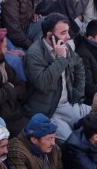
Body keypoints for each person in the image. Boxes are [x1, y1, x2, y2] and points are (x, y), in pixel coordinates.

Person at [24, 13, 89, 141]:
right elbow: (43, 83)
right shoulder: (34, 54)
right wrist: (61, 59)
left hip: (68, 103)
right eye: (63, 33)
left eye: (68, 32)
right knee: (73, 142)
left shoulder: (65, 46)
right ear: (50, 35)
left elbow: (79, 65)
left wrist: (78, 92)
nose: (68, 37)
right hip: (48, 111)